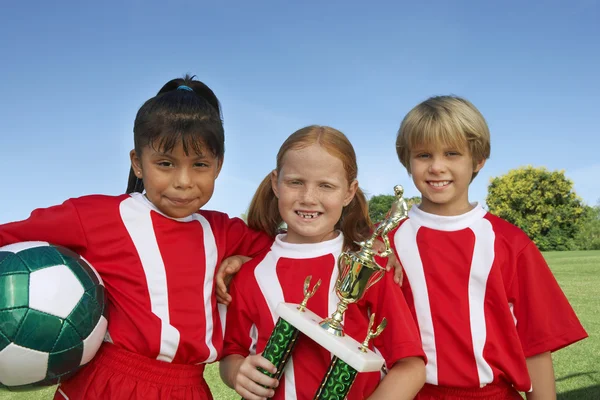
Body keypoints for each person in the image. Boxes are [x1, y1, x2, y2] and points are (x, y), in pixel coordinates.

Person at [0, 75, 273, 400]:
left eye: (199, 164)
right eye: (165, 163)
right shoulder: (95, 216)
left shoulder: (224, 232)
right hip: (107, 385)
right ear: (138, 163)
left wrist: (243, 261)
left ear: (219, 165)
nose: (183, 181)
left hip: (190, 389)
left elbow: (290, 258)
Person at [389, 95, 588, 399]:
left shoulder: (509, 242)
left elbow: (535, 345)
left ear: (478, 159)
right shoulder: (386, 243)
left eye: (452, 153)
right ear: (407, 160)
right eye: (424, 155)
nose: (437, 167)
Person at [219, 125, 426, 400]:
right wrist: (237, 374)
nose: (308, 198)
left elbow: (410, 367)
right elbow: (232, 354)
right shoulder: (250, 273)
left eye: (326, 186)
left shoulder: (369, 269)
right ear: (275, 183)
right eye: (295, 182)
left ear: (349, 192)